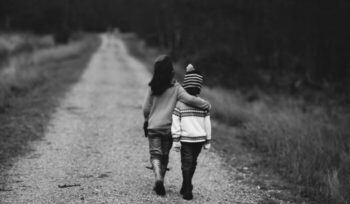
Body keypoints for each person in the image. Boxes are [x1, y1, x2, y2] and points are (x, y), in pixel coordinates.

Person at [142, 55, 211, 196]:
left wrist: (147, 119)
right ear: (170, 72)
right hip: (168, 128)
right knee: (165, 155)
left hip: (153, 127)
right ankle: (161, 178)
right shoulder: (176, 87)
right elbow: (190, 99)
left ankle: (158, 178)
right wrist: (206, 105)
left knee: (155, 154)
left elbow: (146, 108)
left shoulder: (152, 87)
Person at [171, 64, 212, 200]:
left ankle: (187, 187)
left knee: (186, 163)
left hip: (186, 139)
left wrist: (176, 139)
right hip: (199, 140)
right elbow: (207, 123)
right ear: (199, 87)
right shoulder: (203, 105)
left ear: (185, 86)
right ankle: (186, 185)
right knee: (193, 162)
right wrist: (208, 140)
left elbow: (175, 122)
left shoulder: (180, 104)